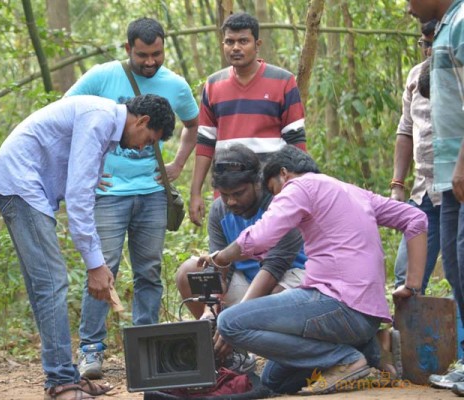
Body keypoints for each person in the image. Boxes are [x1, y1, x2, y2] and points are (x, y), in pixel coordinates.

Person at [0, 94, 175, 400]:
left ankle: (64, 376)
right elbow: (79, 197)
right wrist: (95, 264)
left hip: (26, 187)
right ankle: (61, 382)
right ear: (142, 121)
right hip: (21, 183)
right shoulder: (100, 118)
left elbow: (83, 185)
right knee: (52, 282)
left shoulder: (106, 126)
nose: (143, 148)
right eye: (149, 139)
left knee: (45, 284)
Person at [198, 146, 427, 395]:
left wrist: (221, 257)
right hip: (366, 318)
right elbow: (416, 219)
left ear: (284, 173)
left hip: (335, 303)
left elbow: (261, 238)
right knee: (275, 380)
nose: (276, 199)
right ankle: (370, 349)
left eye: (274, 191)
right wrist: (412, 284)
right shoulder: (353, 191)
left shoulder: (298, 186)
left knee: (230, 323)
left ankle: (345, 359)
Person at [65, 17, 199, 379]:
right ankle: (91, 350)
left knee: (149, 272)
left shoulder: (176, 85)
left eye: (157, 54)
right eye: (143, 55)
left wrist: (177, 165)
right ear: (128, 49)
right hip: (108, 193)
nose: (150, 61)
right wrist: (85, 172)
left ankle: (147, 347)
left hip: (153, 194)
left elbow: (193, 125)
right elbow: (65, 115)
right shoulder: (101, 76)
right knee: (101, 268)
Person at [175, 144, 306, 373]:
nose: (232, 202)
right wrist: (211, 307)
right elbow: (220, 266)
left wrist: (234, 320)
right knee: (188, 271)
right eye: (225, 196)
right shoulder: (219, 211)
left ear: (257, 182)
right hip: (248, 282)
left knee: (274, 300)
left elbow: (274, 269)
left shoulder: (279, 204)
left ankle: (242, 338)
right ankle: (232, 354)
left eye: (238, 193)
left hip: (291, 280)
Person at [189, 12, 307, 226]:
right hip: (228, 193)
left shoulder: (283, 81)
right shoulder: (213, 85)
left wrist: (301, 189)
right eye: (230, 42)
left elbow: (296, 142)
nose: (235, 47)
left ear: (257, 44)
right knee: (230, 255)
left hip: (272, 191)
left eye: (243, 41)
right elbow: (205, 143)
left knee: (275, 255)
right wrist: (195, 192)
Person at [408, 0, 464, 394]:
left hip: (460, 169)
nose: (407, 5)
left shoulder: (462, 21)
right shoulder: (445, 25)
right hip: (445, 177)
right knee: (457, 267)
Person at [390, 19, 440, 293]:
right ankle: (412, 336)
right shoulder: (414, 77)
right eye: (425, 43)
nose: (430, 50)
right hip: (425, 193)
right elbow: (405, 130)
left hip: (458, 190)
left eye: (435, 43)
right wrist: (398, 183)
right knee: (406, 278)